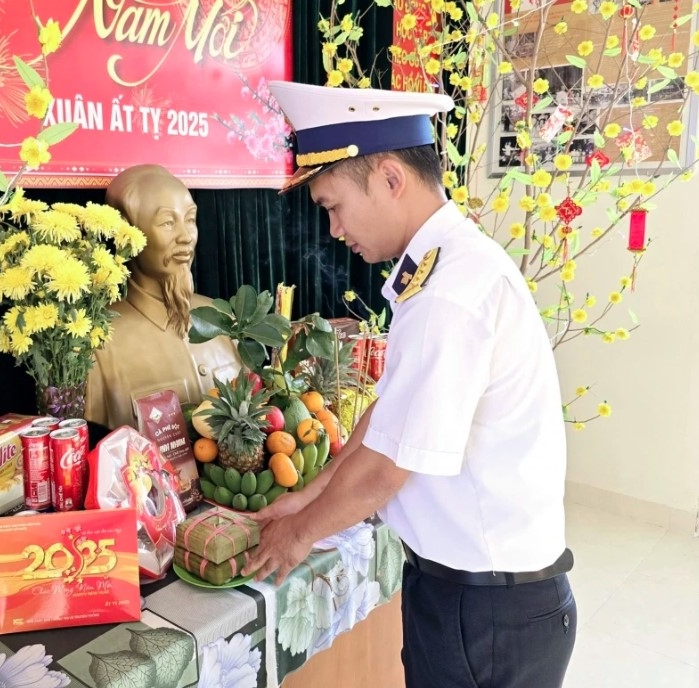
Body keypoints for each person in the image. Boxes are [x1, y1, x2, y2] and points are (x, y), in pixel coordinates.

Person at [241, 82, 576, 687]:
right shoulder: (440, 271)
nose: (335, 228)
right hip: (470, 593)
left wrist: (297, 536)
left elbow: (387, 469)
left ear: (391, 178)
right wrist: (311, 495)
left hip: (488, 609)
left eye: (333, 206)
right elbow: (388, 418)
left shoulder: (450, 292)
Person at [84, 164, 241, 430]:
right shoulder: (99, 342)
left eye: (190, 219)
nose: (186, 236)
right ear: (127, 234)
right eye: (168, 222)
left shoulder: (222, 318)